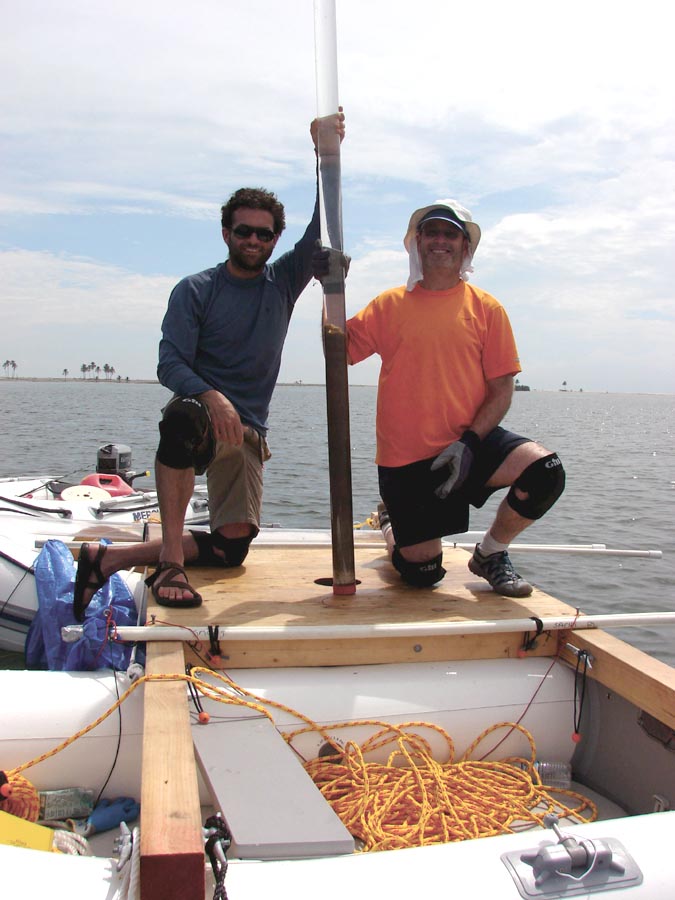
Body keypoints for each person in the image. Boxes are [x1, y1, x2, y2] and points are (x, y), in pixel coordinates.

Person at [73, 111, 346, 618]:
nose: (254, 241)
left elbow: (322, 225)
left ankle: (106, 558)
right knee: (180, 417)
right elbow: (169, 362)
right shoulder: (196, 289)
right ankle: (170, 560)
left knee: (230, 551)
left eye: (265, 235)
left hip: (246, 433)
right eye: (245, 231)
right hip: (200, 420)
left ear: (274, 240)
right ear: (226, 233)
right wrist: (211, 395)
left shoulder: (283, 282)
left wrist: (324, 153)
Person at [337, 199, 565, 597]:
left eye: (450, 234)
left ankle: (491, 554)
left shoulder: (487, 309)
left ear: (465, 247)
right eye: (432, 232)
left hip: (468, 443)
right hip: (407, 460)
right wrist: (329, 288)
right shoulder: (388, 305)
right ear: (417, 242)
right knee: (423, 574)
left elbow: (500, 390)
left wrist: (468, 443)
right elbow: (336, 351)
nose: (440, 241)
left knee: (546, 471)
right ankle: (391, 522)